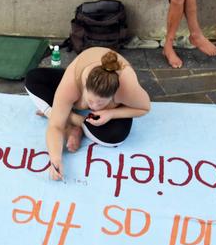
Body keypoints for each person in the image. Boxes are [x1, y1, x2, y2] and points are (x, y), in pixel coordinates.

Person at [24, 48, 150, 181]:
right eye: (90, 101)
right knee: (33, 79)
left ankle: (55, 112)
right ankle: (74, 120)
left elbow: (145, 108)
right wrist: (55, 159)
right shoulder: (71, 83)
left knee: (115, 136)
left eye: (101, 104)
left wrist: (112, 113)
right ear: (84, 87)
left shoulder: (126, 88)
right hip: (78, 75)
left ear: (114, 95)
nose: (93, 108)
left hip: (113, 101)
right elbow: (55, 126)